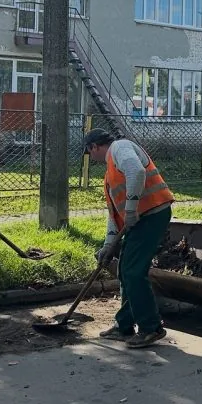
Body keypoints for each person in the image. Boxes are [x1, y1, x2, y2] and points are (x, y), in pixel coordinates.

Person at [83, 128, 175, 349]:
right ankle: (123, 324)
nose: (91, 157)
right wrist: (108, 246)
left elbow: (137, 171)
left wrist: (132, 209)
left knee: (133, 271)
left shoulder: (120, 148)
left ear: (94, 146)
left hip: (152, 215)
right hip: (140, 218)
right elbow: (115, 215)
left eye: (89, 152)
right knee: (126, 271)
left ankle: (151, 328)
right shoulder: (110, 172)